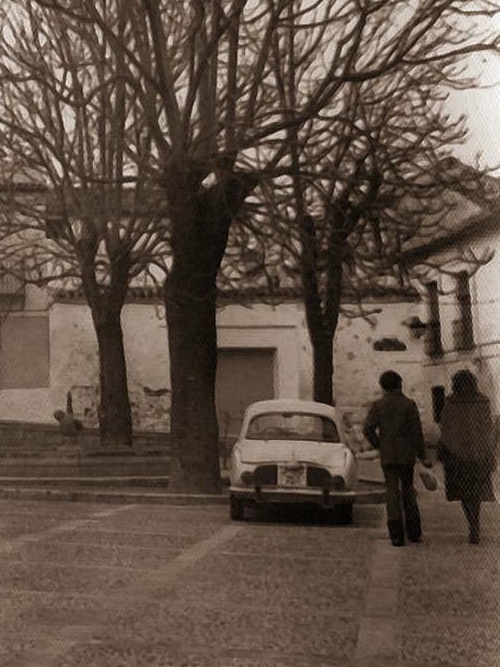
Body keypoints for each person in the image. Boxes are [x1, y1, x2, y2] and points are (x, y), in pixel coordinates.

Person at [363, 370, 432, 547]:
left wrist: (380, 444)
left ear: (383, 386)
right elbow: (417, 432)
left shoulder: (378, 405)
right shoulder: (409, 405)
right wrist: (422, 454)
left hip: (388, 454)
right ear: (400, 384)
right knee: (408, 490)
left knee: (392, 492)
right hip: (406, 454)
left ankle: (396, 534)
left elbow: (368, 429)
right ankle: (414, 530)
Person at [439, 369, 496, 544]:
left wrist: (444, 451)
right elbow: (488, 428)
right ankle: (475, 523)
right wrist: (490, 450)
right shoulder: (483, 402)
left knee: (464, 492)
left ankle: (471, 523)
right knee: (476, 491)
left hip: (457, 455)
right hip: (479, 453)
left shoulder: (450, 402)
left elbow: (445, 428)